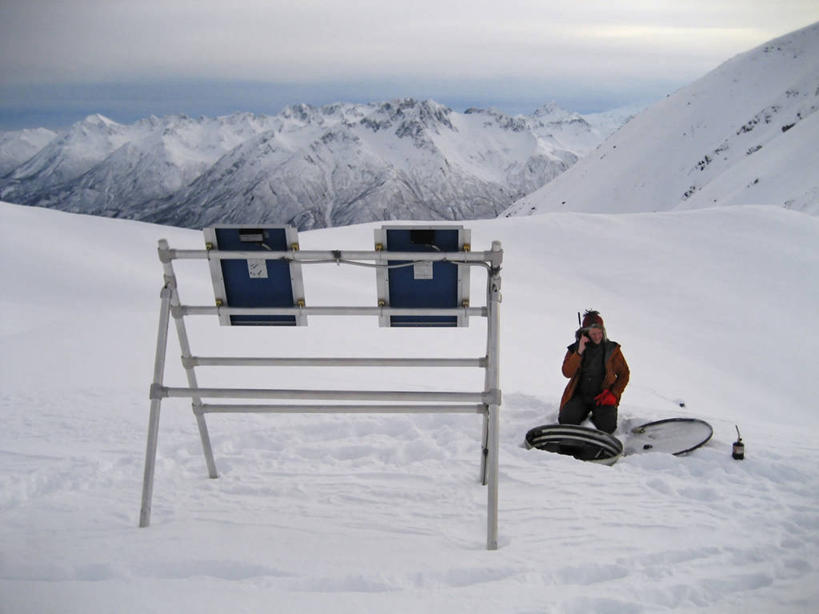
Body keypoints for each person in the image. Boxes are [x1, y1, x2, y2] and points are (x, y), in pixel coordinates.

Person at [559, 310, 629, 433]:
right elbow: (567, 372)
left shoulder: (612, 350)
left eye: (600, 332)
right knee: (566, 420)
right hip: (580, 395)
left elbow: (624, 373)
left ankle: (598, 416)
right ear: (585, 333)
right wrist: (579, 352)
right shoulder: (575, 349)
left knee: (608, 427)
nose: (597, 337)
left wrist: (614, 394)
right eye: (593, 334)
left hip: (602, 397)